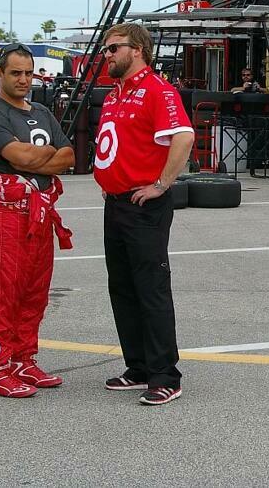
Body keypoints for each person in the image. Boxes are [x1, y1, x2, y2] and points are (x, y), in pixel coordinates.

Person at [93, 23, 194, 406]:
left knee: (150, 288)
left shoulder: (157, 90)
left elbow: (183, 136)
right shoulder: (115, 94)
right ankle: (137, 367)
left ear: (137, 50)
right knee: (121, 287)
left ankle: (165, 374)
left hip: (144, 206)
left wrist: (162, 184)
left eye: (113, 48)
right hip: (116, 203)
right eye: (106, 49)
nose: (107, 55)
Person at [0, 43, 75, 398]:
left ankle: (23, 359)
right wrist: (38, 156)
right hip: (4, 215)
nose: (24, 79)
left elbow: (68, 156)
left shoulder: (42, 111)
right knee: (5, 290)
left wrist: (33, 159)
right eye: (16, 73)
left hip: (39, 214)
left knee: (35, 291)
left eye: (28, 73)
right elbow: (18, 155)